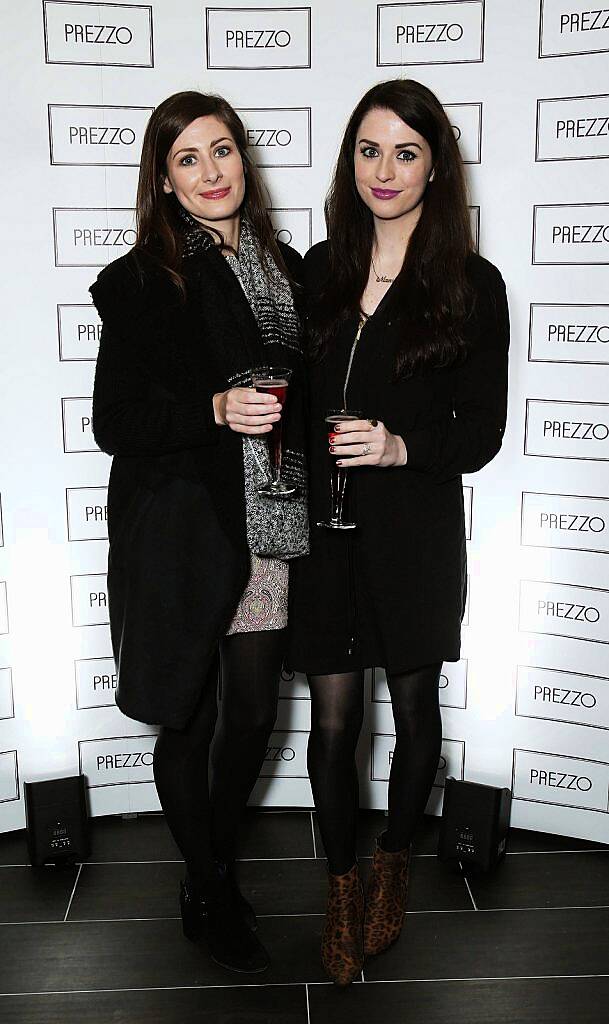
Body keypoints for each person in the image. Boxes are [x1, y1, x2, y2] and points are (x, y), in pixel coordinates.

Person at [288, 79, 510, 986]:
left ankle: (392, 867)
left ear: (434, 167)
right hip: (325, 533)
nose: (385, 170)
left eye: (406, 152)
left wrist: (400, 444)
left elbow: (481, 433)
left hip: (414, 532)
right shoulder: (318, 270)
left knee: (415, 716)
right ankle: (339, 889)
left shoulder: (469, 285)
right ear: (350, 159)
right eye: (369, 150)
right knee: (334, 725)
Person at [90, 91, 307, 975]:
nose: (212, 172)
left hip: (268, 517)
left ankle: (210, 867)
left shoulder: (288, 269)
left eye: (222, 151)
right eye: (188, 158)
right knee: (190, 713)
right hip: (183, 525)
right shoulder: (143, 279)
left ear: (242, 162)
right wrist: (214, 407)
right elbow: (117, 418)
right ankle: (211, 884)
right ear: (164, 178)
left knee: (253, 710)